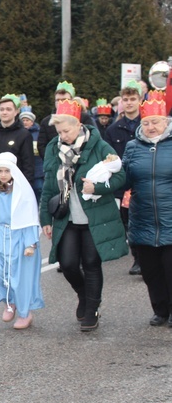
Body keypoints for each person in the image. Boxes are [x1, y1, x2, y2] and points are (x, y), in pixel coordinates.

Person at [40, 100, 128, 331]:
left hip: (94, 217)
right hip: (66, 217)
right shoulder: (53, 147)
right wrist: (45, 220)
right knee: (67, 264)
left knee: (90, 263)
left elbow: (120, 176)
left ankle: (92, 310)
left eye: (66, 130)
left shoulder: (99, 145)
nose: (63, 136)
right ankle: (84, 295)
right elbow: (49, 186)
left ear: (78, 125)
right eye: (59, 132)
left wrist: (97, 188)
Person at [0, 153, 43, 329]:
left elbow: (29, 217)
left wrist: (30, 243)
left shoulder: (22, 192)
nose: (3, 174)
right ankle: (8, 302)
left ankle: (24, 313)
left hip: (19, 238)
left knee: (20, 278)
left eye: (6, 170)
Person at [122, 94, 172, 327]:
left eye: (156, 122)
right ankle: (160, 310)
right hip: (142, 218)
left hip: (170, 217)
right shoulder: (132, 147)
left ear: (166, 122)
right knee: (151, 271)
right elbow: (124, 179)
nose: (151, 127)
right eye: (146, 123)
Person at [103, 80, 144, 275]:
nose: (129, 103)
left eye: (133, 99)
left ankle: (142, 258)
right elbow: (109, 156)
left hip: (143, 180)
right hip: (123, 183)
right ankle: (137, 256)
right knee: (127, 222)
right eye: (125, 99)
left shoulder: (147, 124)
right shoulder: (113, 129)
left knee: (144, 219)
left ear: (140, 100)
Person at [0, 94, 35, 190]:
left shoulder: (24, 135)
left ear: (16, 112)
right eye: (2, 109)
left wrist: (26, 188)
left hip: (17, 188)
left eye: (8, 109)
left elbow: (28, 165)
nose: (4, 112)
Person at [20, 107, 43, 203]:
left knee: (38, 189)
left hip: (37, 167)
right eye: (23, 120)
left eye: (27, 120)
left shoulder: (38, 133)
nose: (25, 122)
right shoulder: (19, 133)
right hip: (23, 168)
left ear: (32, 122)